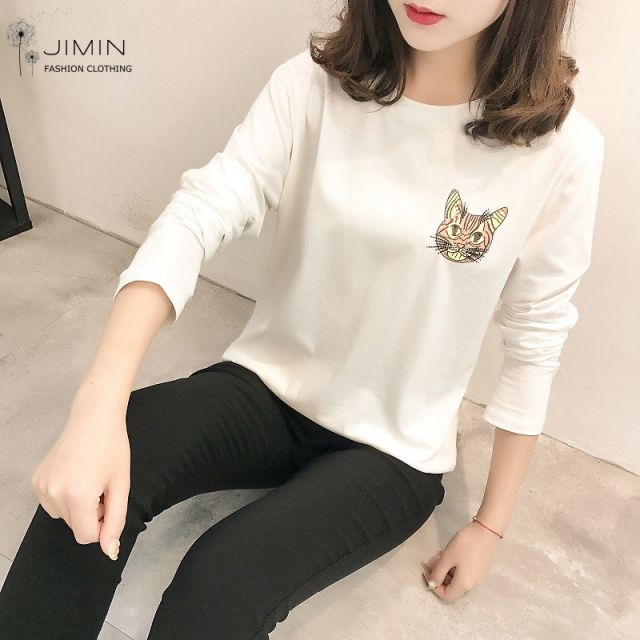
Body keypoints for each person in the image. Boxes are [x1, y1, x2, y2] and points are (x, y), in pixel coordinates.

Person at [0, 0, 606, 638]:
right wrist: (95, 409)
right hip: (268, 386)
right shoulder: (312, 87)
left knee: (222, 580)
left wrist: (489, 526)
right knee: (98, 474)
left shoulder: (562, 151)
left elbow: (537, 333)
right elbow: (198, 214)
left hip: (392, 451)